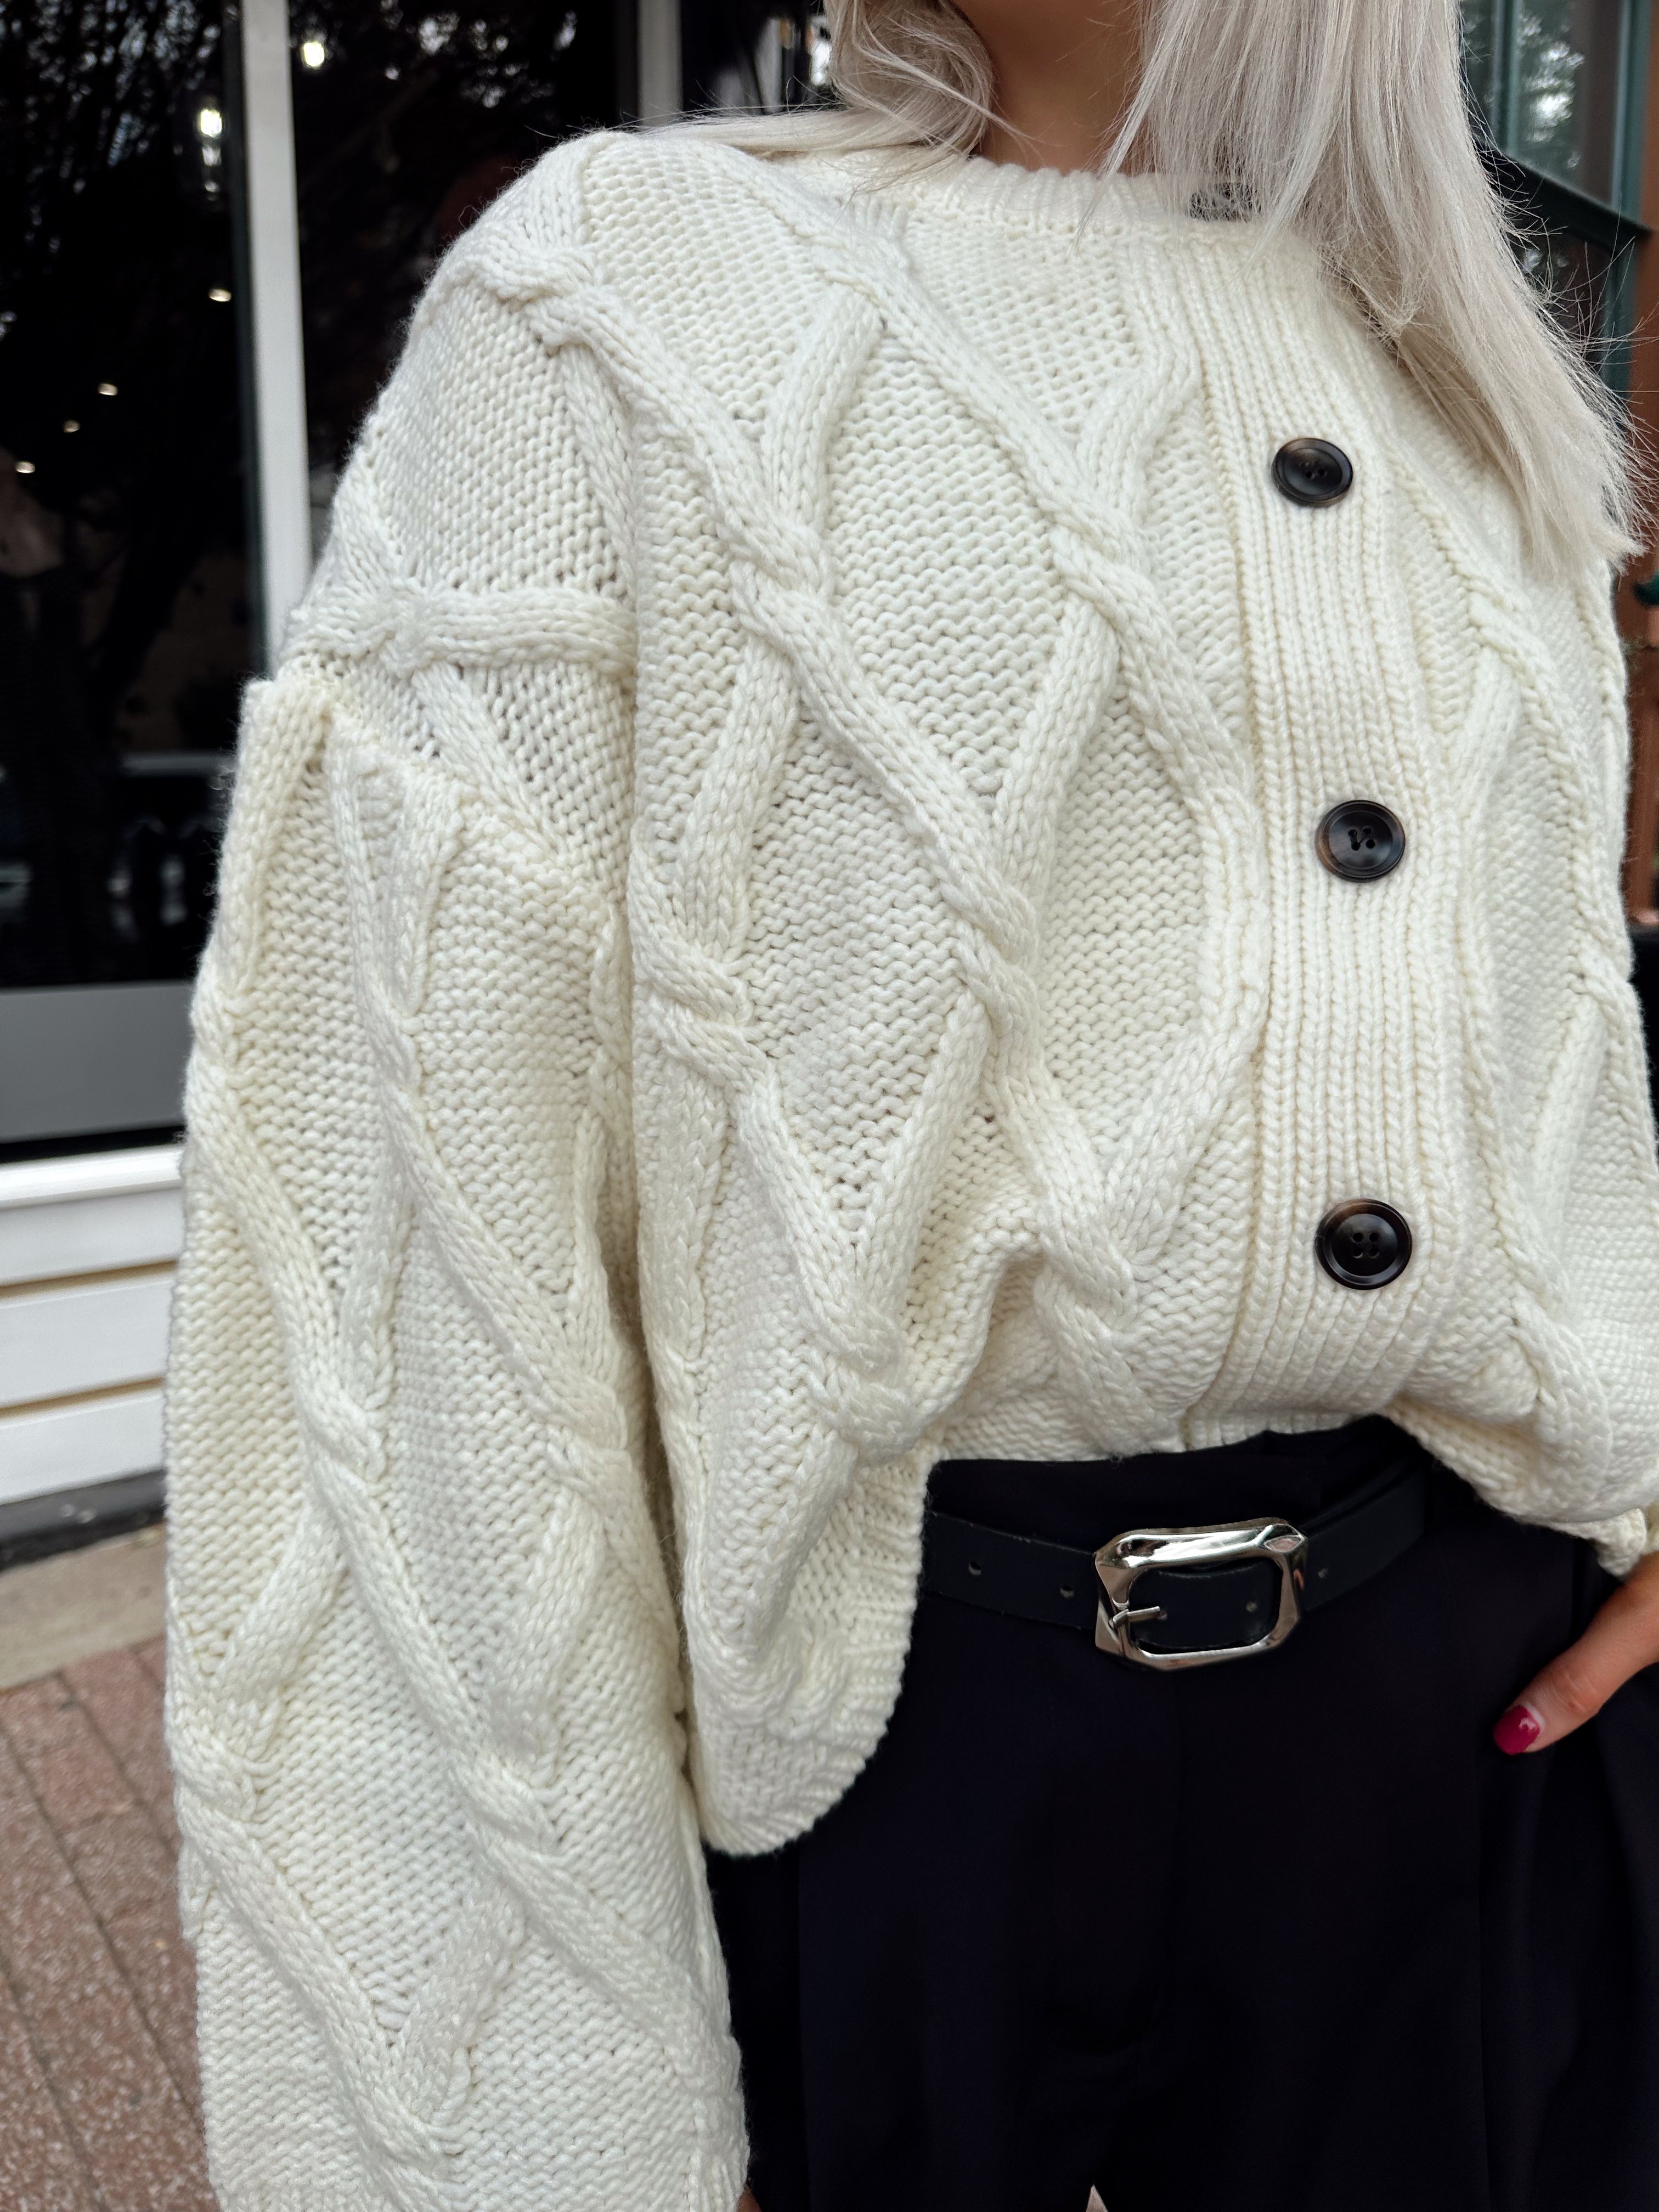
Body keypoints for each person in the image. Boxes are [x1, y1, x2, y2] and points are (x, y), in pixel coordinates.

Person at [162, 1, 1659, 2207]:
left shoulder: (1472, 371)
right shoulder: (616, 296)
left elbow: (1573, 1033)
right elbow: (403, 1255)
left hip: (1488, 1725)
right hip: (906, 1767)